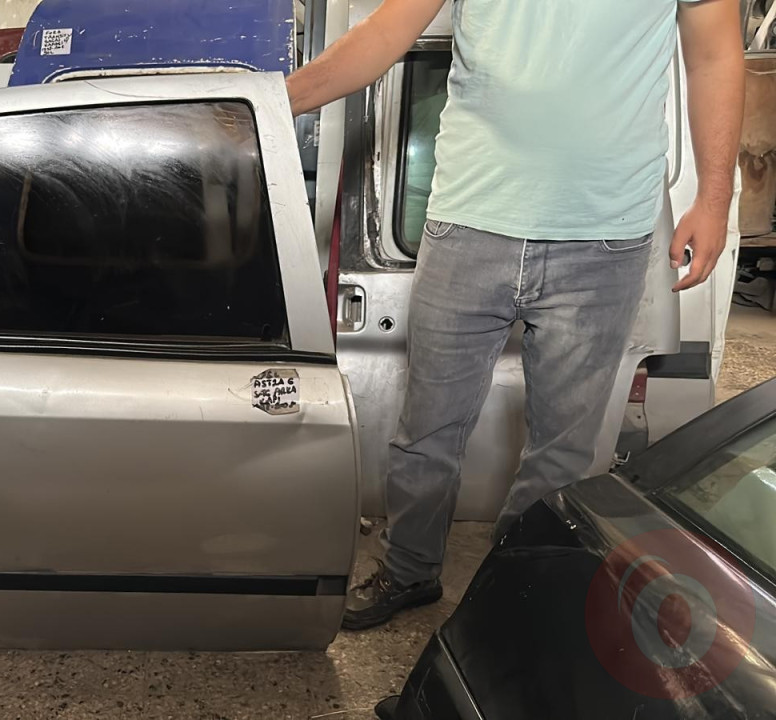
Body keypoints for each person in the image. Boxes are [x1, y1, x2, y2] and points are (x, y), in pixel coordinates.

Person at [286, 0, 743, 631]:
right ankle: (410, 570)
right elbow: (382, 34)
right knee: (427, 433)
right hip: (469, 222)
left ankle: (516, 586)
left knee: (564, 451)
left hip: (605, 236)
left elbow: (715, 56)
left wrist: (715, 198)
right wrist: (271, 104)